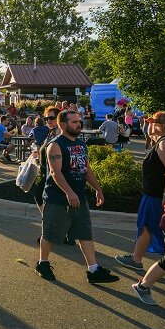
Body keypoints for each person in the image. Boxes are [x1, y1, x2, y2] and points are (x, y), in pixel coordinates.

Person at [35, 110, 119, 284]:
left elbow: (86, 169)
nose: (78, 124)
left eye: (78, 121)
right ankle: (43, 263)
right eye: (74, 122)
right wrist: (69, 192)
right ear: (62, 125)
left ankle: (93, 270)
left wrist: (98, 189)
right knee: (50, 234)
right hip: (57, 199)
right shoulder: (55, 145)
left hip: (79, 198)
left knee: (84, 233)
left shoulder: (81, 144)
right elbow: (55, 172)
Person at [115, 111, 165, 271]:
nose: (150, 124)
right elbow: (150, 134)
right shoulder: (159, 141)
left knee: (147, 226)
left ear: (163, 126)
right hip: (153, 194)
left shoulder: (164, 143)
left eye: (154, 122)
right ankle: (136, 258)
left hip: (157, 195)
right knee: (149, 226)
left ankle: (136, 259)